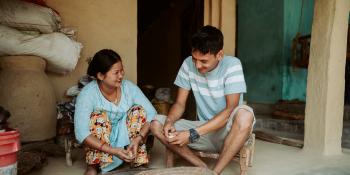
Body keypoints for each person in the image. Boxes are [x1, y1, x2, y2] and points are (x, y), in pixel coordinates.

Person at [150, 25, 255, 174]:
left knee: (245, 115)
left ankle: (215, 172)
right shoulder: (188, 64)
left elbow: (230, 109)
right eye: (195, 59)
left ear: (219, 55)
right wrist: (169, 122)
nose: (198, 65)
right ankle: (203, 168)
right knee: (155, 124)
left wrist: (192, 133)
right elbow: (180, 103)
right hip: (202, 129)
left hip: (228, 131)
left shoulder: (232, 65)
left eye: (204, 61)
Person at [74, 49, 157, 175]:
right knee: (98, 117)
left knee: (138, 111)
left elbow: (152, 113)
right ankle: (94, 166)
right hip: (101, 141)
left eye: (121, 70)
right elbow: (82, 133)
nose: (121, 75)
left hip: (125, 136)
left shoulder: (128, 87)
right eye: (116, 72)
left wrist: (138, 138)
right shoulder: (87, 94)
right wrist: (113, 150)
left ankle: (137, 162)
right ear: (101, 76)